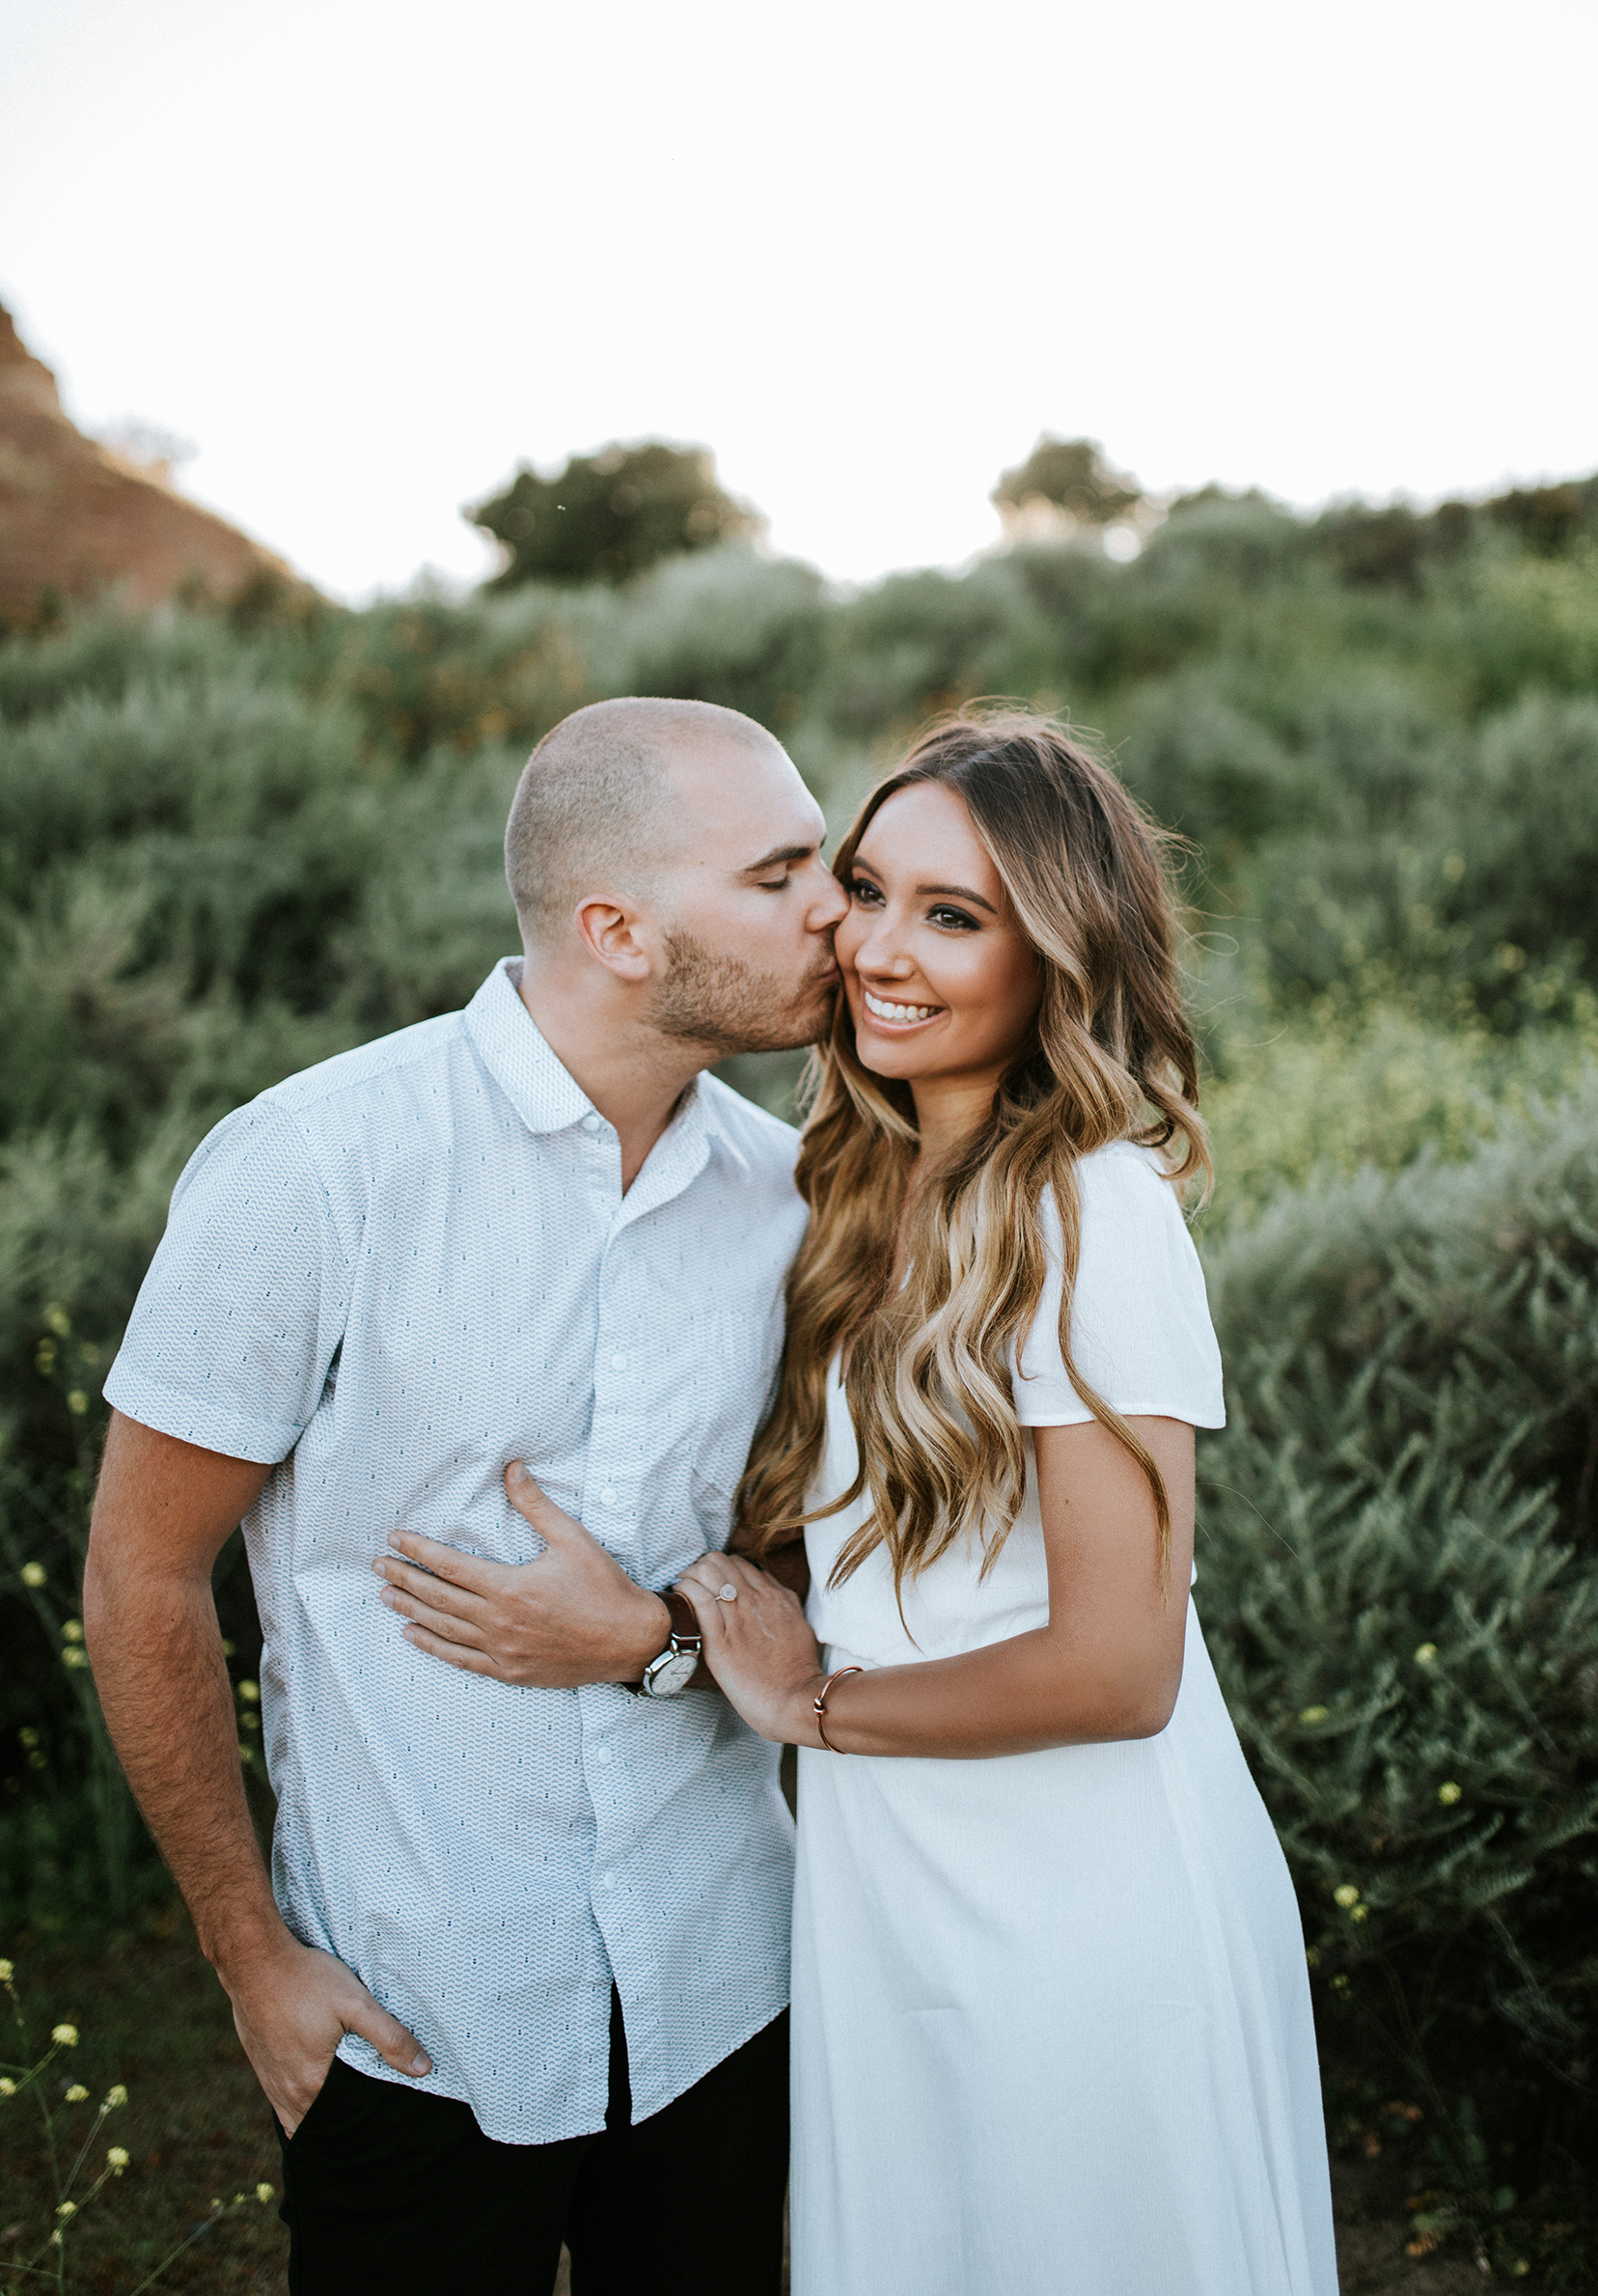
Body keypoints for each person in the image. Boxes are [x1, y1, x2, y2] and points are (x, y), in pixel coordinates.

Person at [83, 696, 847, 2296]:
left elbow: (791, 1560)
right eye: (780, 877)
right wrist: (248, 1956)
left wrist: (652, 1639)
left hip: (721, 1978)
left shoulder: (785, 1199)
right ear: (617, 930)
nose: (835, 911)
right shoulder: (315, 1165)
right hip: (421, 2009)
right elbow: (142, 1573)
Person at [675, 711, 1340, 2296]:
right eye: (867, 890)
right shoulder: (859, 1180)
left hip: (1078, 1894)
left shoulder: (1091, 1209)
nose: (879, 949)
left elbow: (1121, 1669)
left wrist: (810, 1708)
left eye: (954, 916)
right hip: (899, 1871)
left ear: (1056, 959)